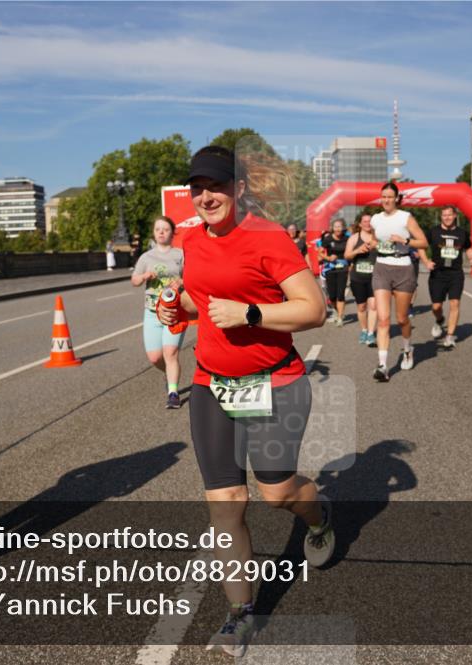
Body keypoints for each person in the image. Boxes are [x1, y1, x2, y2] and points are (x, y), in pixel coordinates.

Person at [157, 145, 332, 657]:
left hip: (275, 382)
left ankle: (319, 515)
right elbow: (204, 297)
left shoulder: (268, 237)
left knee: (276, 493)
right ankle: (240, 614)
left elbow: (314, 309)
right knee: (226, 503)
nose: (206, 196)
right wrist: (179, 310)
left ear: (238, 187)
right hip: (212, 386)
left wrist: (251, 313)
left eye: (216, 186)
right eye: (197, 188)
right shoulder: (191, 238)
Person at [370, 182, 428, 382]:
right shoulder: (376, 219)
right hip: (381, 268)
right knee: (383, 319)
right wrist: (372, 244)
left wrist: (404, 241)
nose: (386, 200)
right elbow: (373, 239)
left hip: (403, 268)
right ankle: (383, 365)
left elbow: (423, 242)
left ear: (396, 198)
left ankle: (407, 350)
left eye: (389, 197)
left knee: (402, 319)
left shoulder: (405, 217)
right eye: (383, 197)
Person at [132, 216, 185, 409]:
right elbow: (134, 280)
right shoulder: (146, 257)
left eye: (165, 229)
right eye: (158, 229)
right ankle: (169, 374)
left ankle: (173, 392)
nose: (161, 232)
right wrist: (144, 276)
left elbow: (193, 278)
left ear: (172, 233)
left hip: (174, 312)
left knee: (170, 353)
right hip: (152, 312)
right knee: (155, 357)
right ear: (154, 233)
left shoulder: (180, 255)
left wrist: (181, 282)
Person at [428, 205, 472, 348]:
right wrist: (425, 260)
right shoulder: (433, 231)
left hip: (455, 274)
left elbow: (468, 247)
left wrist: (471, 258)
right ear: (441, 217)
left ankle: (449, 336)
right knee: (436, 306)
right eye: (444, 215)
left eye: (449, 215)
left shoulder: (462, 233)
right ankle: (439, 320)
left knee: (455, 303)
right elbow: (421, 244)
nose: (447, 218)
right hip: (437, 273)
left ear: (455, 216)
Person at [345, 214, 378, 345]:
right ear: (360, 224)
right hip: (358, 277)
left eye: (370, 221)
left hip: (375, 277)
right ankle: (364, 330)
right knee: (361, 306)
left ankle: (371, 333)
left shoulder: (378, 238)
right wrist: (358, 250)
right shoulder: (354, 238)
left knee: (373, 306)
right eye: (365, 221)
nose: (367, 223)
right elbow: (347, 255)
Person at [317, 218, 350, 326]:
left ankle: (340, 317)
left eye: (339, 226)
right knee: (332, 296)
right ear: (332, 228)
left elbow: (350, 251)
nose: (337, 229)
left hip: (343, 268)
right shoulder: (328, 239)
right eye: (335, 227)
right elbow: (319, 252)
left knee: (340, 294)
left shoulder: (347, 238)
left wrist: (350, 263)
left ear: (343, 227)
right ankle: (336, 311)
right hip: (330, 268)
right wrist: (328, 258)